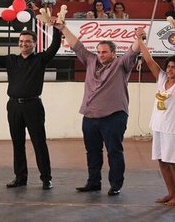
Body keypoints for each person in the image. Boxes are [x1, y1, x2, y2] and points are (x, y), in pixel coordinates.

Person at [54, 21, 140, 196]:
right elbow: (76, 45)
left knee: (114, 151)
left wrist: (139, 37)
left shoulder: (122, 64)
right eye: (99, 52)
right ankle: (93, 182)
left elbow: (134, 49)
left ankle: (116, 185)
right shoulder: (90, 60)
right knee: (92, 151)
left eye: (105, 52)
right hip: (90, 115)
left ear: (114, 53)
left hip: (114, 116)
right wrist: (63, 28)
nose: (100, 55)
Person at [0, 21, 62, 190]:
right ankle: (20, 177)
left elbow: (55, 46)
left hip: (33, 106)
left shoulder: (40, 59)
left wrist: (57, 30)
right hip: (14, 106)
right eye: (21, 41)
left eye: (28, 41)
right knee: (17, 142)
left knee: (39, 142)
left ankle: (46, 178)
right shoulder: (11, 60)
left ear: (34, 44)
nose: (24, 44)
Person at [136, 27, 175, 206]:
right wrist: (140, 40)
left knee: (173, 162)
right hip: (159, 126)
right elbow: (149, 60)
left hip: (173, 129)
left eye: (174, 67)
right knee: (162, 161)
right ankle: (171, 193)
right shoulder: (161, 78)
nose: (170, 69)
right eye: (169, 66)